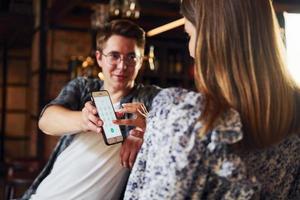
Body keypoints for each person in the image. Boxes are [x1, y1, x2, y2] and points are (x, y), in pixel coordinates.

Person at [124, 0, 300, 199]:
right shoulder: (293, 116)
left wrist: (164, 131)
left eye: (189, 35)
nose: (190, 50)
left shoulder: (187, 116)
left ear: (213, 37)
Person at [22, 19, 161, 200]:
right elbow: (46, 120)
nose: (122, 65)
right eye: (114, 55)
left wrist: (148, 130)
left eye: (131, 57)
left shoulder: (150, 97)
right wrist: (83, 119)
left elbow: (185, 127)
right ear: (99, 58)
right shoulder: (84, 88)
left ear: (141, 60)